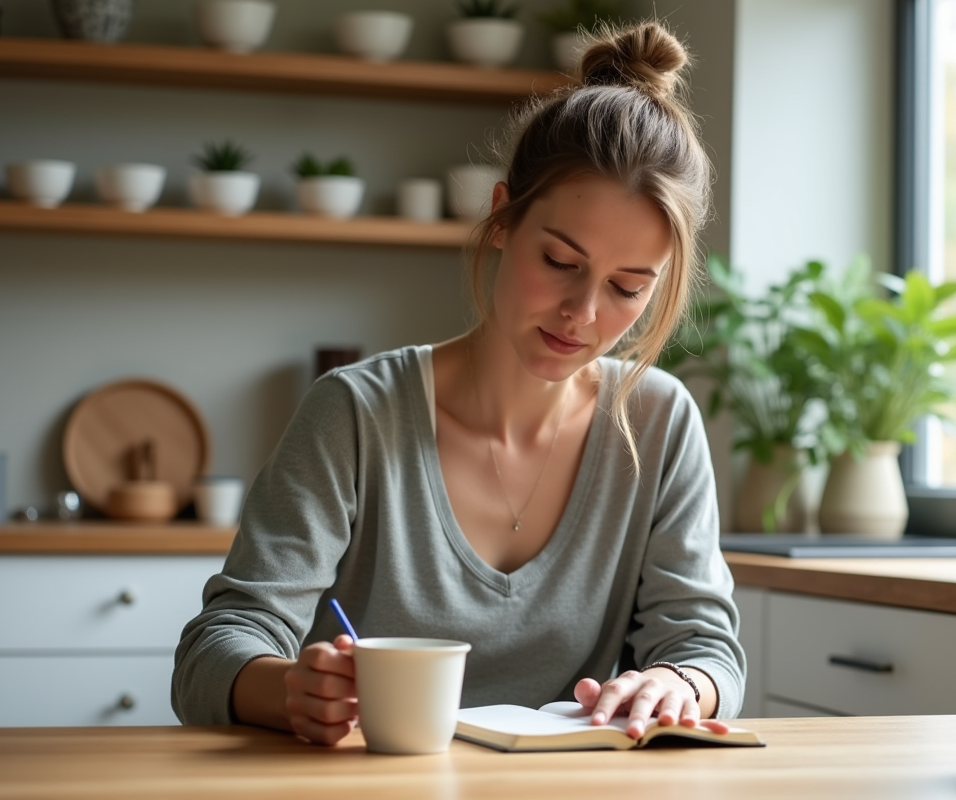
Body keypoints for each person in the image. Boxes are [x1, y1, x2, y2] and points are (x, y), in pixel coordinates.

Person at [172, 20, 745, 746]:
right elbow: (210, 653)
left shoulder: (659, 422)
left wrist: (679, 684)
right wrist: (287, 687)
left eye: (630, 287)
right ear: (502, 216)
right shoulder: (354, 414)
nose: (585, 313)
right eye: (562, 262)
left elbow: (708, 650)